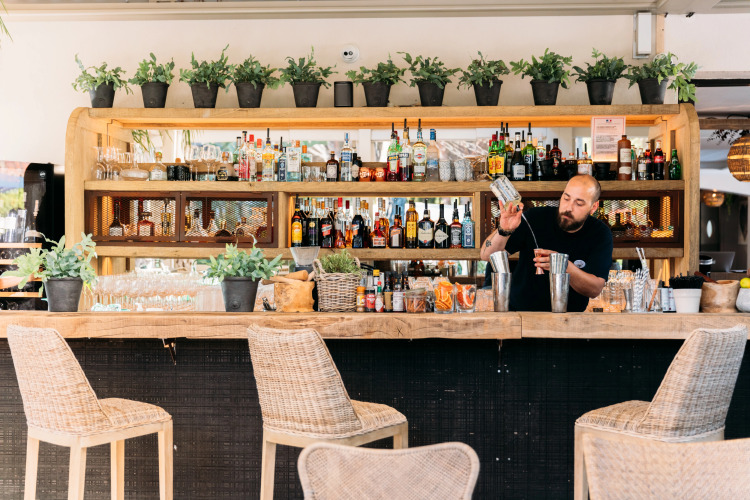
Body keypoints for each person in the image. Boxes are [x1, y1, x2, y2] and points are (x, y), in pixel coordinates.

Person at [480, 174, 612, 312]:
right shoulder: (535, 218)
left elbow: (594, 289)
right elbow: (486, 256)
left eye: (579, 203)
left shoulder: (600, 234)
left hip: (570, 320)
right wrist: (504, 230)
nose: (568, 207)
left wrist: (563, 265)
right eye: (566, 198)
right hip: (520, 315)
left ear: (593, 207)